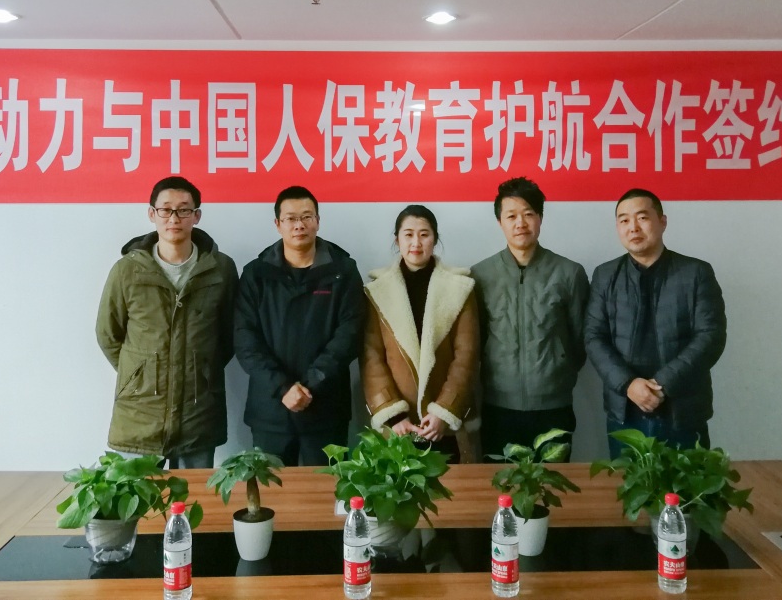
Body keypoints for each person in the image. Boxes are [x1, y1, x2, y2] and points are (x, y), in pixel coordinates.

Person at [95, 176, 238, 468]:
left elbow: (230, 335)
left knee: (195, 496)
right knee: (136, 494)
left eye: (184, 210)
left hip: (198, 411)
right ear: (152, 214)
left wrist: (200, 370)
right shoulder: (127, 270)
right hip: (140, 413)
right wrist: (139, 373)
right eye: (166, 209)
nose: (174, 218)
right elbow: (108, 334)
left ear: (196, 216)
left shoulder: (221, 269)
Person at [585, 188, 727, 458]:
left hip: (682, 411)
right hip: (624, 410)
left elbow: (711, 336)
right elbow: (593, 337)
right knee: (629, 484)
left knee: (688, 485)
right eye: (624, 220)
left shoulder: (696, 273)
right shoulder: (605, 276)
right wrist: (628, 384)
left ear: (662, 222)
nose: (633, 227)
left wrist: (662, 384)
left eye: (642, 217)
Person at [234, 186, 365, 466]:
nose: (299, 225)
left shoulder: (343, 271)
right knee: (272, 491)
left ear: (318, 221)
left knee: (328, 489)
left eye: (306, 217)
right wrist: (283, 387)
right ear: (277, 224)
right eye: (291, 218)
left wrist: (311, 383)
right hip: (271, 410)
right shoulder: (256, 274)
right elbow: (245, 340)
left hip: (326, 407)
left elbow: (350, 334)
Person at [471, 177, 589, 461]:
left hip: (553, 405)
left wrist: (557, 369)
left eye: (528, 214)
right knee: (501, 483)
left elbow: (580, 339)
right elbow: (476, 339)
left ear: (540, 218)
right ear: (500, 222)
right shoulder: (481, 275)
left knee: (553, 484)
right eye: (511, 216)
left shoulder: (569, 273)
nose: (520, 223)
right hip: (498, 405)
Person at [363, 205, 480, 463]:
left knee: (450, 486)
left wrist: (443, 412)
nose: (416, 243)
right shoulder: (377, 291)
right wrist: (393, 414)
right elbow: (371, 357)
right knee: (395, 487)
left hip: (443, 426)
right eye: (408, 234)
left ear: (435, 239)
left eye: (424, 234)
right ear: (397, 240)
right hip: (397, 427)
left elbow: (466, 355)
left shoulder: (460, 288)